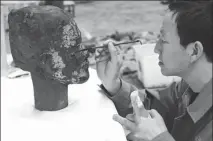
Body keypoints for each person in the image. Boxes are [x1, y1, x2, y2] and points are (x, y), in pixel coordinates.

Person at [96, 1, 212, 141]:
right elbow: (152, 108)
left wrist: (159, 138)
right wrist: (113, 84)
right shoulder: (188, 87)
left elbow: (154, 130)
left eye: (163, 40)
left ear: (194, 51)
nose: (156, 48)